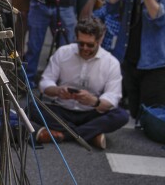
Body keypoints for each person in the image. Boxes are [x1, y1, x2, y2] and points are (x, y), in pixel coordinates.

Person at [30, 16, 129, 150]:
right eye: (80, 43)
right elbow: (45, 82)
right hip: (62, 109)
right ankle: (91, 134)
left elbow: (113, 97)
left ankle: (62, 134)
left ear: (100, 40)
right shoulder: (63, 52)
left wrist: (94, 101)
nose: (84, 48)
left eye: (90, 45)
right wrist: (58, 91)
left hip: (91, 112)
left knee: (121, 116)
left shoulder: (111, 62)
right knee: (31, 107)